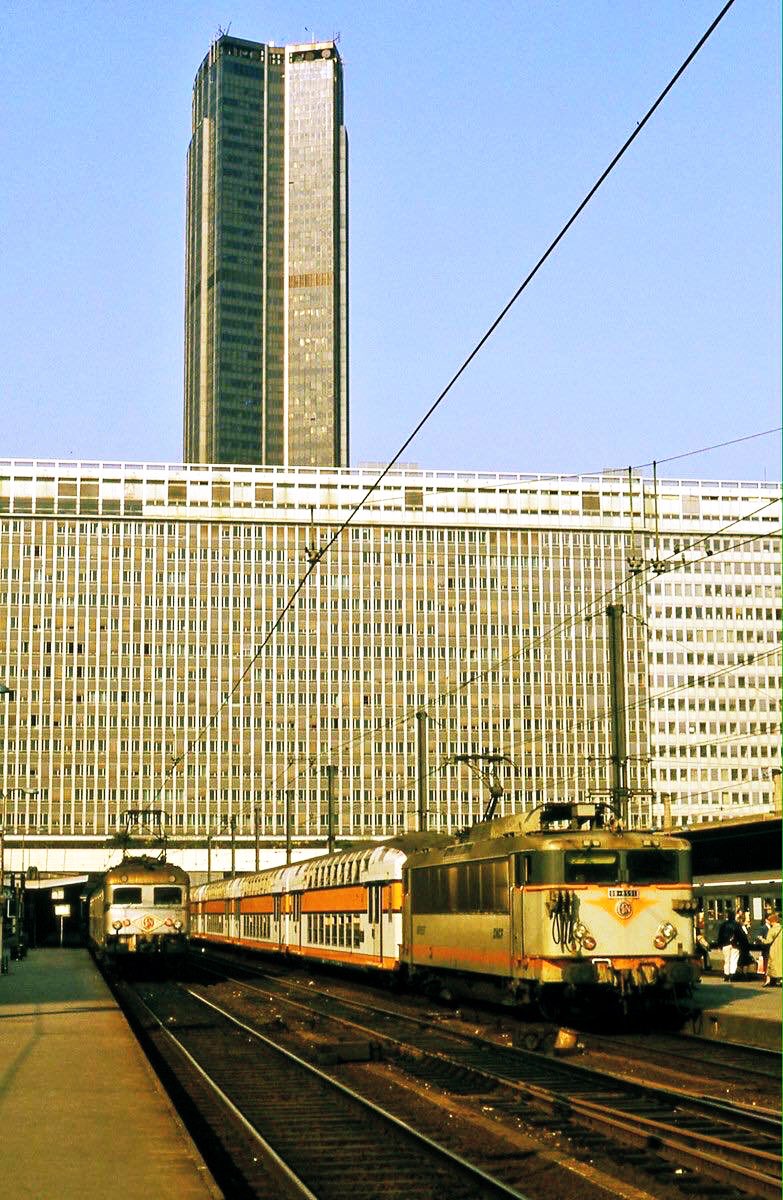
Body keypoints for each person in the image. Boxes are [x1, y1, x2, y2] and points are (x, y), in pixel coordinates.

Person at [759, 911, 782, 988]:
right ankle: (781, 980)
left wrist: (761, 939)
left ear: (772, 922)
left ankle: (768, 981)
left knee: (771, 965)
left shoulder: (772, 930)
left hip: (774, 950)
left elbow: (767, 942)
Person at [716, 911, 741, 982]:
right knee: (734, 959)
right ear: (734, 917)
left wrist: (719, 945)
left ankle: (726, 975)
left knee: (727, 960)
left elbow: (720, 935)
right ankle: (732, 975)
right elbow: (740, 935)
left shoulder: (723, 925)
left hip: (725, 944)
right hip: (735, 944)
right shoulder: (737, 925)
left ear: (727, 916)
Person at [734, 912, 755, 980]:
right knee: (744, 961)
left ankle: (741, 975)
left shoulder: (743, 928)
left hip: (744, 947)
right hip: (743, 946)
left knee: (743, 961)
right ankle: (743, 975)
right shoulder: (740, 928)